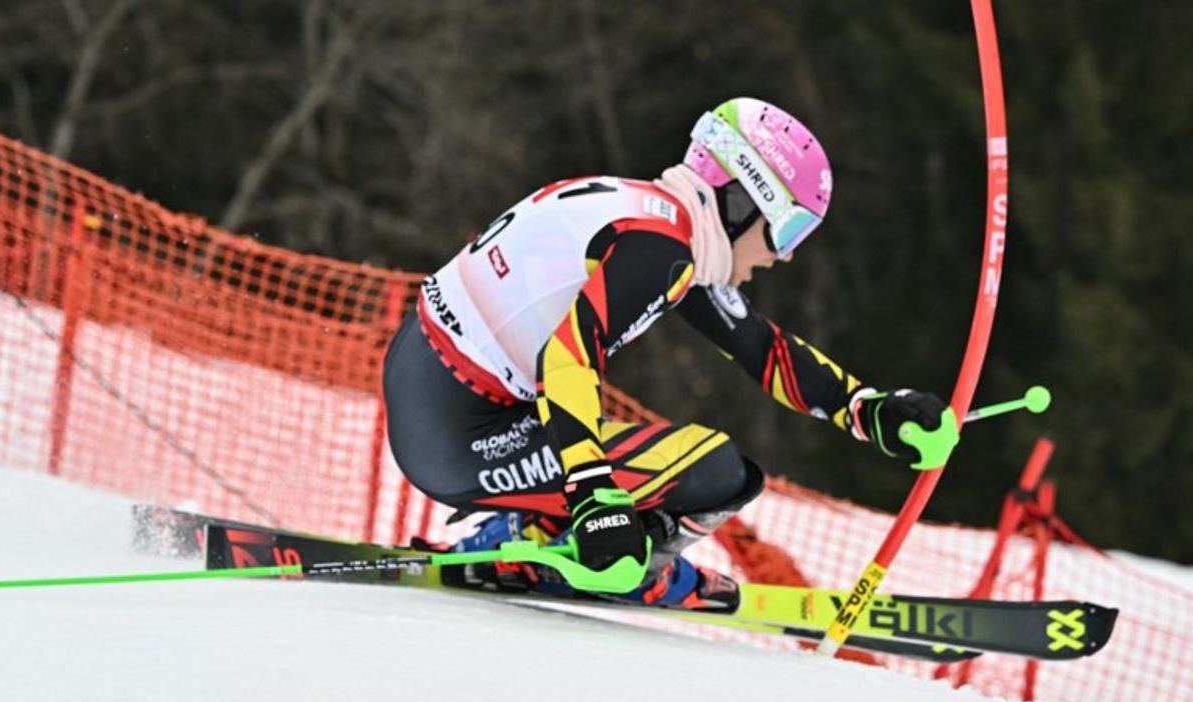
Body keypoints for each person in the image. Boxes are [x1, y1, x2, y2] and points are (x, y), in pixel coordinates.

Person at [383, 97, 944, 611]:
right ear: (744, 200)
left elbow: (759, 345)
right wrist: (594, 497)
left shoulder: (654, 219)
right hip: (458, 430)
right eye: (789, 230)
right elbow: (567, 358)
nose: (786, 256)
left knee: (666, 453)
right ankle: (612, 566)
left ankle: (528, 539)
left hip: (440, 392)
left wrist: (866, 409)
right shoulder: (661, 247)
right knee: (715, 470)